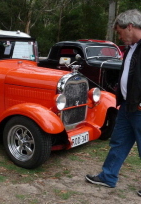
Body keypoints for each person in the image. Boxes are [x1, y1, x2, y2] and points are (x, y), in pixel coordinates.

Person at [85, 9, 141, 197]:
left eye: (119, 31)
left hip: (140, 108)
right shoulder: (132, 47)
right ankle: (108, 177)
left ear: (130, 27)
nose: (119, 35)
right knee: (118, 142)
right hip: (127, 106)